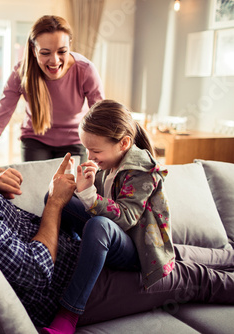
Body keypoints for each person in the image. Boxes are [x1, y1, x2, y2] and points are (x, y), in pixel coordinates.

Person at [0, 108, 234, 329]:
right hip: (74, 285)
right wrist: (56, 203)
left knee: (181, 252)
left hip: (86, 252)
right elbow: (33, 270)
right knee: (195, 278)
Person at [41, 99, 175, 334]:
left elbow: (125, 218)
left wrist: (89, 195)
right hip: (108, 235)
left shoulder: (143, 171)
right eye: (86, 149)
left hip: (135, 249)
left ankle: (69, 314)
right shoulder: (106, 163)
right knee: (53, 198)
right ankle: (76, 251)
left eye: (96, 150)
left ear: (123, 143)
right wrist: (70, 188)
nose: (90, 156)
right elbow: (89, 204)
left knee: (99, 226)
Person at [0, 15, 104, 162]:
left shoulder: (85, 70)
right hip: (35, 140)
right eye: (45, 53)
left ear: (69, 45)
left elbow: (101, 119)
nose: (55, 61)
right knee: (36, 184)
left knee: (74, 185)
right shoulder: (20, 73)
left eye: (62, 51)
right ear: (33, 50)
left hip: (75, 141)